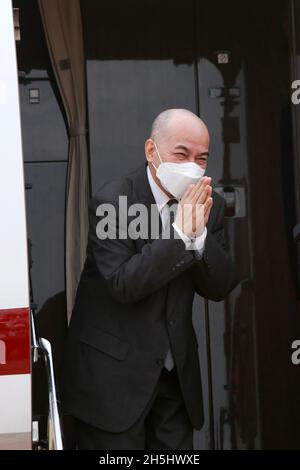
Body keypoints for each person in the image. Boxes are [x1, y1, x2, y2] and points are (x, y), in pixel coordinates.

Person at [61, 108, 239, 450]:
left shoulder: (208, 206)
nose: (192, 166)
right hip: (112, 379)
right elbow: (123, 283)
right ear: (151, 151)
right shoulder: (113, 201)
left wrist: (198, 236)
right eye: (181, 154)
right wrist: (179, 235)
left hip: (174, 379)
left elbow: (220, 286)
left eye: (202, 158)